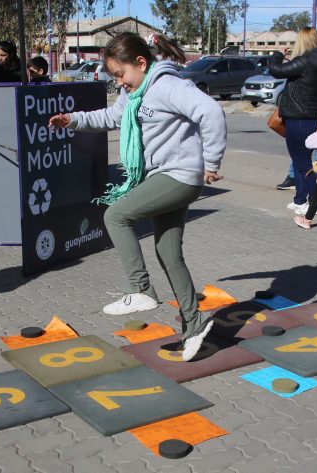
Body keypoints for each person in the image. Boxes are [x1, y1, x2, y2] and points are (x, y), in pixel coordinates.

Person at [48, 33, 226, 362]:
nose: (120, 82)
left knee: (116, 215)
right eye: (115, 77)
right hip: (163, 177)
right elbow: (110, 118)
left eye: (121, 74)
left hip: (180, 176)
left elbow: (211, 112)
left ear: (141, 63)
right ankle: (195, 323)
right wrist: (72, 120)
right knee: (168, 253)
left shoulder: (167, 86)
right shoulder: (134, 93)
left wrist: (212, 163)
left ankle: (142, 290)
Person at [269, 27, 317, 217]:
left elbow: (276, 70)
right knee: (302, 160)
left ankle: (315, 201)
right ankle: (300, 199)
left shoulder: (305, 61)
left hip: (298, 117)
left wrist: (277, 55)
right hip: (315, 118)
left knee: (302, 162)